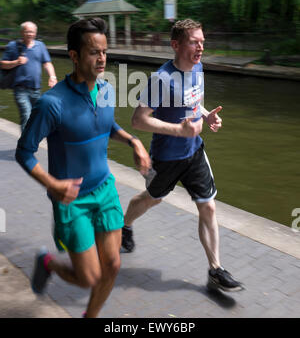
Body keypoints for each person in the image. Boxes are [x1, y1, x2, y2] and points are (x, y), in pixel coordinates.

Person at [15, 17, 151, 318]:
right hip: (71, 200)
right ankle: (49, 263)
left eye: (104, 51)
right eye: (93, 52)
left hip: (105, 189)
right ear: (75, 56)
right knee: (89, 277)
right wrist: (52, 183)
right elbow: (24, 152)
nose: (101, 58)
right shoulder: (52, 104)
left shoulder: (105, 90)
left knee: (113, 265)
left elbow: (106, 126)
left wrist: (133, 142)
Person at [122, 18, 243, 293]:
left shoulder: (199, 68)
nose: (200, 46)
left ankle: (216, 269)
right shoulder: (161, 79)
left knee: (208, 206)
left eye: (202, 41)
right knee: (152, 199)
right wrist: (178, 130)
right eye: (193, 41)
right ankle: (125, 225)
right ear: (176, 45)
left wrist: (206, 115)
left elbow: (194, 102)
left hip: (194, 152)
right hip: (166, 157)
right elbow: (138, 121)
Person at [0, 21, 57, 132]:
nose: (30, 34)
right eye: (27, 31)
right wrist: (16, 62)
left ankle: (31, 140)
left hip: (36, 89)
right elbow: (2, 64)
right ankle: (25, 147)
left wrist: (52, 76)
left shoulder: (40, 46)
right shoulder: (13, 46)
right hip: (20, 90)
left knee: (38, 116)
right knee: (26, 115)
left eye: (32, 32)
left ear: (35, 33)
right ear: (22, 32)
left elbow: (47, 63)